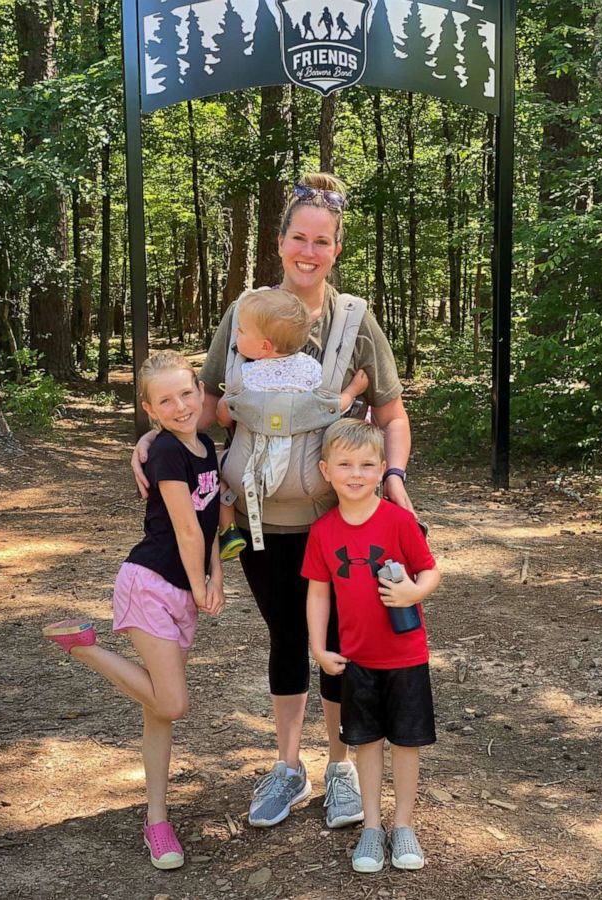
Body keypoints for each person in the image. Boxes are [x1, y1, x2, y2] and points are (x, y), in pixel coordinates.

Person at [132, 172, 415, 833]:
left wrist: (394, 474)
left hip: (337, 520)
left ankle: (341, 765)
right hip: (258, 518)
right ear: (280, 241)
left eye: (322, 241)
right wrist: (150, 438)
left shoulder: (354, 322)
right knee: (288, 635)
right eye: (298, 238)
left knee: (342, 639)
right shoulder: (245, 314)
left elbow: (391, 413)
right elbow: (202, 404)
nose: (308, 252)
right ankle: (289, 765)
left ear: (336, 248)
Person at [45, 350, 226, 871]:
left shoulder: (205, 445)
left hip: (182, 591)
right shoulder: (168, 453)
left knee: (157, 713)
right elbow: (185, 525)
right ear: (150, 410)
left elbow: (210, 522)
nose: (181, 405)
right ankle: (81, 645)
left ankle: (156, 819)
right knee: (172, 704)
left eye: (187, 393)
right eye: (165, 400)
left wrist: (215, 574)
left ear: (199, 391)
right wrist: (199, 584)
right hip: (150, 585)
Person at [305, 419, 441, 873]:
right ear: (326, 470)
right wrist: (318, 647)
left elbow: (429, 570)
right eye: (345, 464)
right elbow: (319, 593)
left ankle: (403, 825)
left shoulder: (399, 522)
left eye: (367, 464)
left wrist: (413, 594)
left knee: (405, 742)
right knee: (366, 743)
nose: (356, 474)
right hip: (357, 658)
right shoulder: (323, 531)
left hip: (405, 657)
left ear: (383, 469)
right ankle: (371, 826)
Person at [212, 287, 370, 560]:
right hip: (303, 474)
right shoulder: (311, 370)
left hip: (253, 475)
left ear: (264, 347)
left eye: (242, 332)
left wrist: (224, 407)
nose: (236, 335)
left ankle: (227, 527)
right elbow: (330, 407)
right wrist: (354, 391)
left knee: (213, 467)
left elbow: (224, 416)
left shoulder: (247, 375)